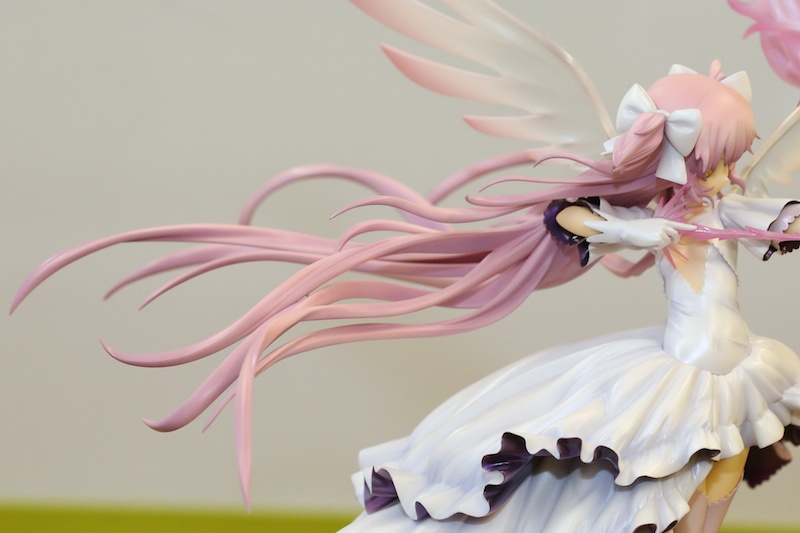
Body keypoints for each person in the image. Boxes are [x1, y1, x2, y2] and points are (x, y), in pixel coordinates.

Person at [12, 2, 800, 532]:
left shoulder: (720, 204)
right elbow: (571, 216)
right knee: (658, 476)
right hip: (684, 363)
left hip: (730, 362)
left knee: (720, 466)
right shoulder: (662, 212)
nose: (728, 167)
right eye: (718, 151)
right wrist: (635, 231)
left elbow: (762, 216)